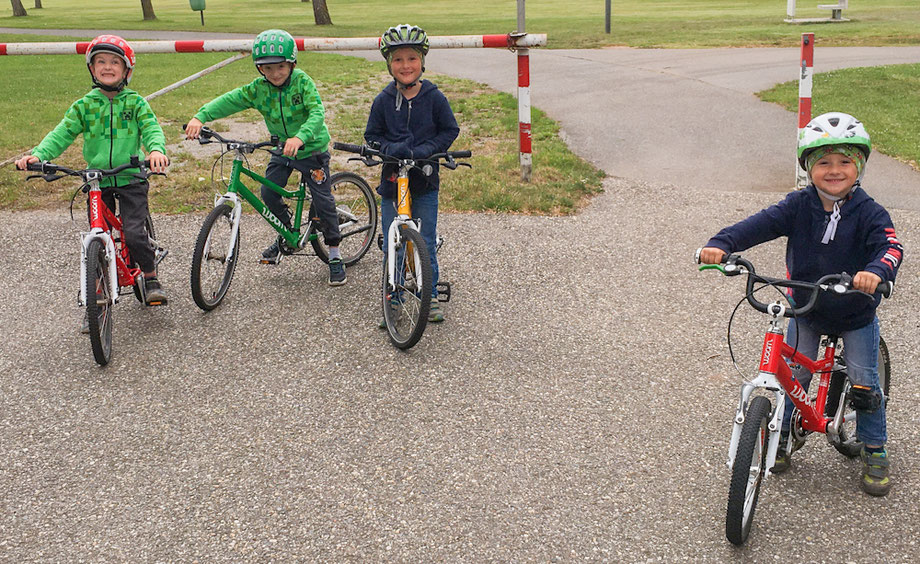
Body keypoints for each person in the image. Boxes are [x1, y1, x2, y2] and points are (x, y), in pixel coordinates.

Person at [699, 112, 903, 497]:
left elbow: (891, 247)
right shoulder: (798, 205)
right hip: (805, 307)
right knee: (793, 375)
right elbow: (757, 225)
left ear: (858, 166)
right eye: (823, 162)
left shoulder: (871, 213)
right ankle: (784, 437)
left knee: (864, 382)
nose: (834, 170)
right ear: (808, 168)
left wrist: (875, 272)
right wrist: (723, 244)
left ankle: (875, 448)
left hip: (855, 311)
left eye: (844, 161)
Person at [16, 34, 170, 328]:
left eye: (115, 62)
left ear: (126, 70)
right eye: (101, 62)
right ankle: (95, 302)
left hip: (130, 177)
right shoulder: (84, 106)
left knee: (135, 234)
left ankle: (150, 278)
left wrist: (155, 151)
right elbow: (62, 133)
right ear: (91, 68)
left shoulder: (135, 103)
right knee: (96, 236)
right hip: (97, 180)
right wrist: (39, 155)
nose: (107, 67)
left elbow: (151, 129)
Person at [184, 29, 346, 286]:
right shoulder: (259, 89)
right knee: (268, 192)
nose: (275, 73)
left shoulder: (302, 82)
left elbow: (317, 113)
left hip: (311, 149)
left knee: (323, 201)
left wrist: (300, 137)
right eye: (267, 68)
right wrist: (201, 116)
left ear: (292, 64)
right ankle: (286, 233)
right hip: (282, 150)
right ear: (259, 69)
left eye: (281, 67)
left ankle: (335, 254)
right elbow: (231, 100)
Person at [365, 24, 460, 324]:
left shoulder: (433, 97)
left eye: (412, 58)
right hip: (393, 183)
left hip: (425, 180)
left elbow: (450, 130)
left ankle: (427, 294)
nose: (405, 66)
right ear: (389, 64)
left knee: (425, 240)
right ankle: (393, 296)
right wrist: (391, 148)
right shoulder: (382, 101)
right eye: (398, 60)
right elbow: (372, 135)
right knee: (393, 240)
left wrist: (426, 149)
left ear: (422, 61)